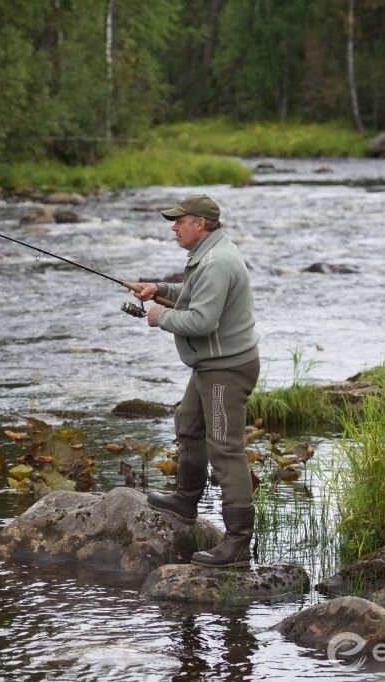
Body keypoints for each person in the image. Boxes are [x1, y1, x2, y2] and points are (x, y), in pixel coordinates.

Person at [131, 194, 260, 568]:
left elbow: (202, 321)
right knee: (188, 426)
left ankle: (237, 544)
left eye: (179, 221)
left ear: (199, 224)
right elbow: (194, 299)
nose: (174, 227)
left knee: (224, 449)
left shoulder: (217, 262)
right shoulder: (209, 254)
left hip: (225, 369)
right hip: (212, 366)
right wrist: (160, 290)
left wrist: (158, 316)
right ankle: (186, 501)